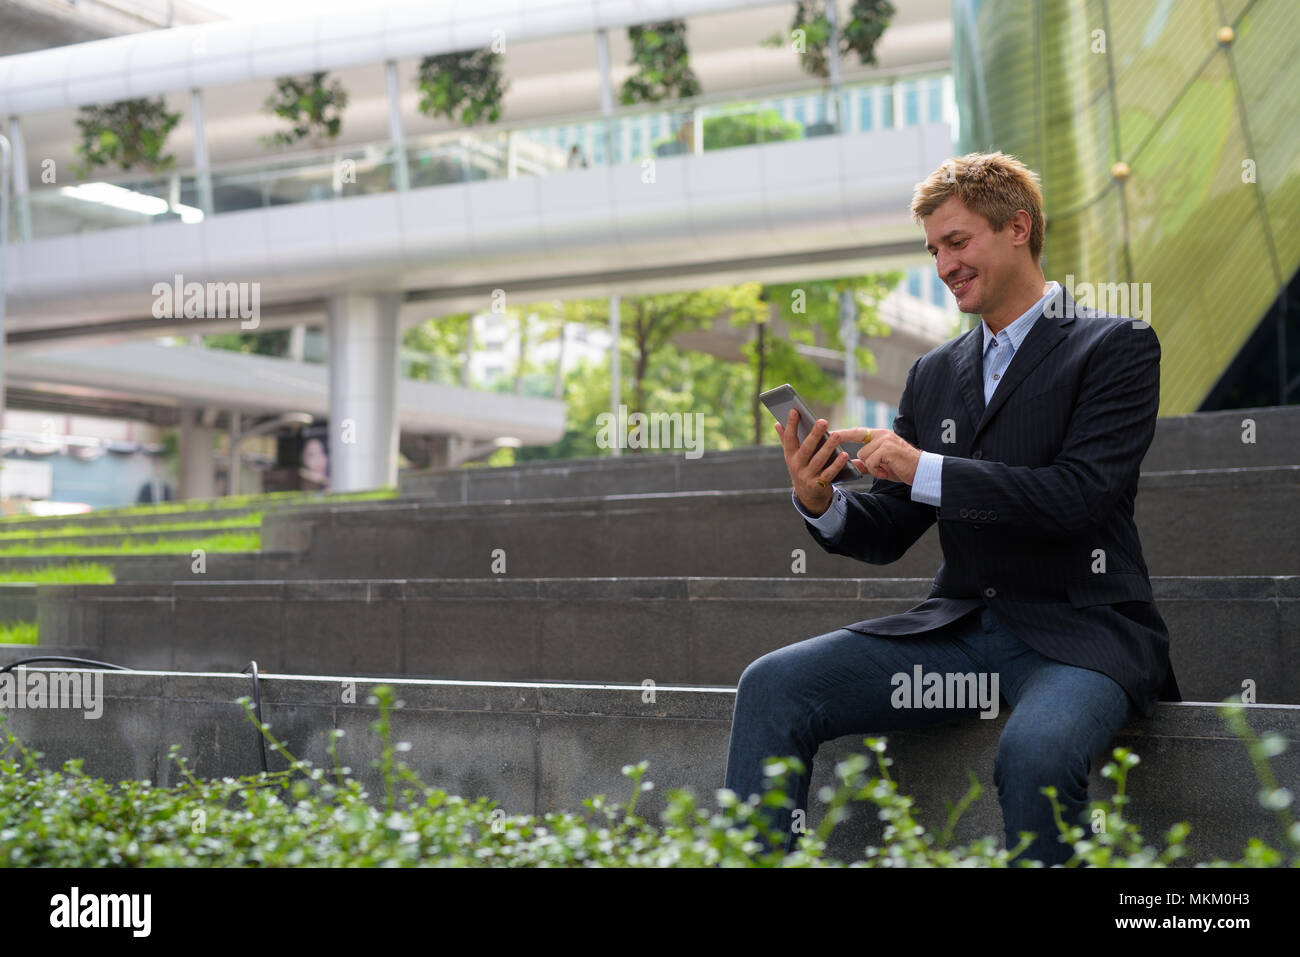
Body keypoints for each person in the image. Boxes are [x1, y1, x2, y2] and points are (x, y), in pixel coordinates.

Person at [723, 151, 1180, 866]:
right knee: (771, 684)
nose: (943, 265)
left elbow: (1078, 497)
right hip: (961, 631)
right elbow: (892, 526)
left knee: (1034, 753)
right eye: (934, 249)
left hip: (1084, 632)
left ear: (1018, 227)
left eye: (957, 242)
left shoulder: (1114, 347)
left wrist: (923, 465)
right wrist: (820, 500)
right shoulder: (934, 372)